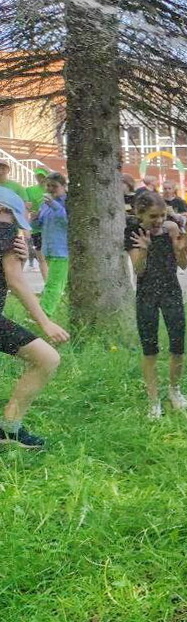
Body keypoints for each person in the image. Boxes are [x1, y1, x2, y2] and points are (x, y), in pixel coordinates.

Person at [0, 187, 69, 449]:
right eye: (12, 217)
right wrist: (45, 322)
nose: (13, 225)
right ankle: (9, 428)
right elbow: (16, 281)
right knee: (47, 358)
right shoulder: (4, 230)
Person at [125, 191, 187, 419]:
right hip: (147, 294)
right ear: (139, 213)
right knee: (150, 348)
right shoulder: (134, 232)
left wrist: (180, 246)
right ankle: (154, 401)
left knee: (178, 345)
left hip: (171, 290)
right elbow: (139, 270)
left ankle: (175, 390)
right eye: (153, 216)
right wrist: (145, 247)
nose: (159, 221)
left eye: (162, 215)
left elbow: (182, 265)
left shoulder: (172, 228)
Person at [33, 172, 69, 315]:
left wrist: (54, 205)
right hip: (48, 248)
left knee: (53, 284)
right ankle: (65, 309)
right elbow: (40, 225)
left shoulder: (68, 202)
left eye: (55, 186)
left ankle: (44, 313)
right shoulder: (45, 204)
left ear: (64, 186)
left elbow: (68, 222)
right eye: (48, 186)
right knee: (61, 282)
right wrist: (34, 218)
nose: (50, 189)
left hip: (62, 250)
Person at [24, 168, 48, 277]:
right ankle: (47, 284)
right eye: (38, 176)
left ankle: (57, 285)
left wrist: (41, 212)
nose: (40, 179)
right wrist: (30, 212)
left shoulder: (53, 190)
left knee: (53, 259)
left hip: (51, 228)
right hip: (37, 227)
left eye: (42, 176)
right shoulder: (30, 190)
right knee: (41, 258)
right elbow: (26, 206)